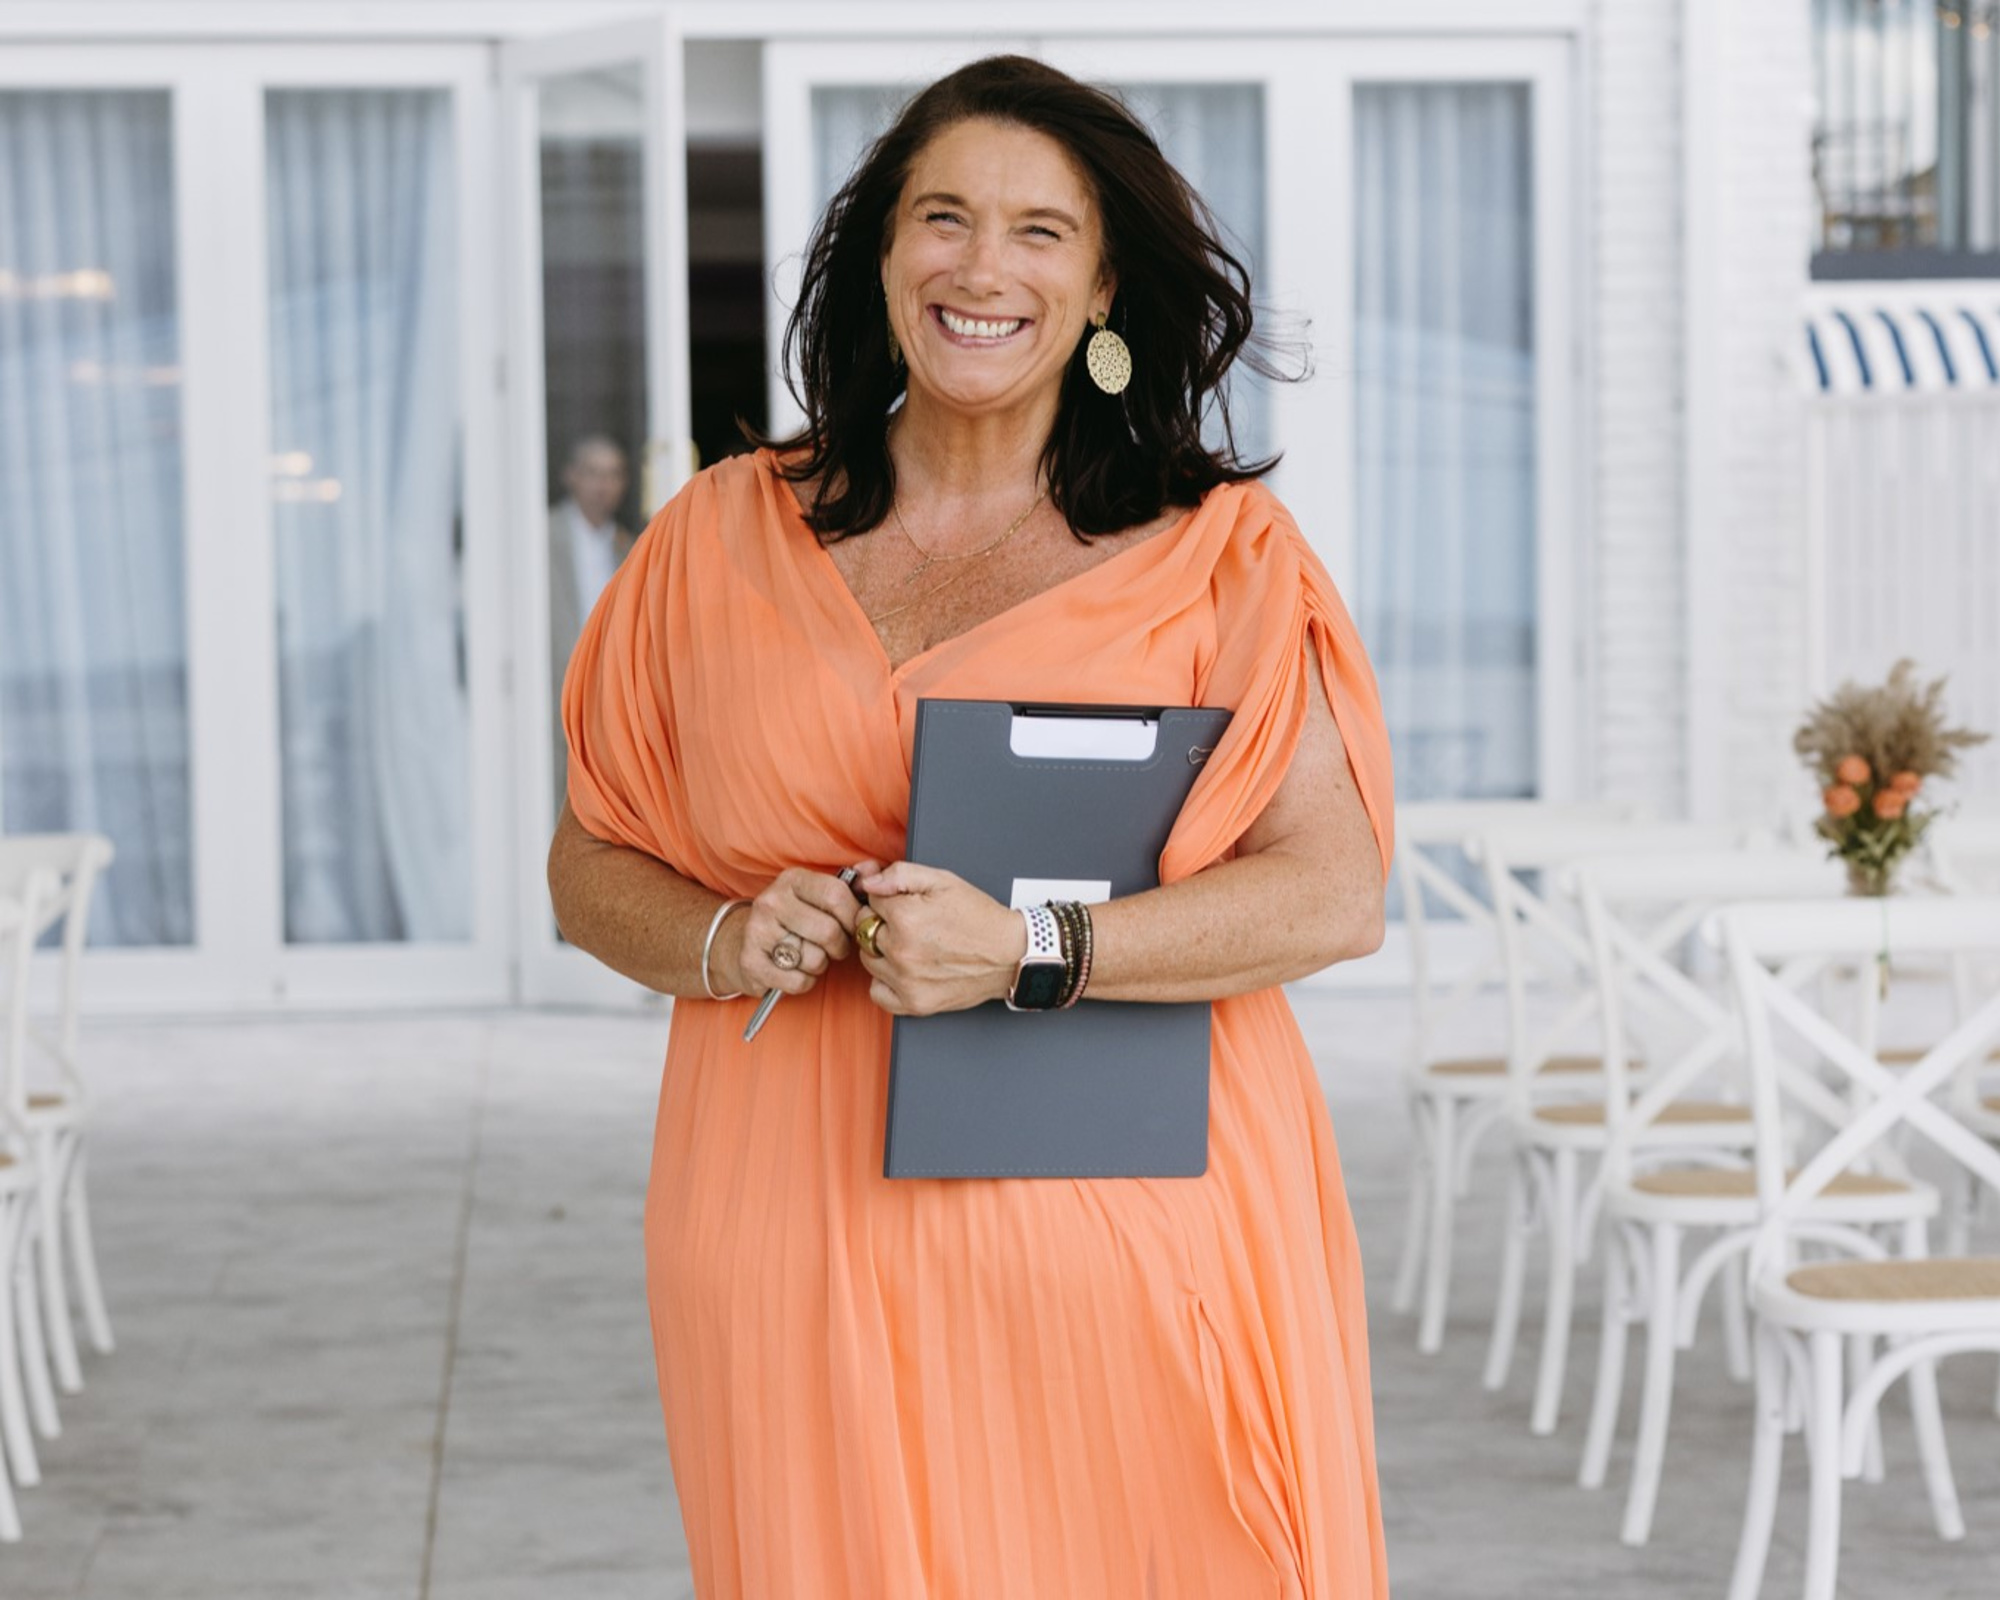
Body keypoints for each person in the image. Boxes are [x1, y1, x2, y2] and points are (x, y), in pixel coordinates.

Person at [549, 55, 1395, 1599]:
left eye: (1039, 232)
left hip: (1133, 1233)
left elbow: (1334, 892)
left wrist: (1034, 946)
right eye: (941, 218)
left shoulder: (1219, 558)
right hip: (789, 1226)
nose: (981, 268)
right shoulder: (714, 539)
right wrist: (728, 935)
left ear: (1104, 286)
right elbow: (591, 858)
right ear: (880, 257)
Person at [547, 434, 635, 802]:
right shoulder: (543, 536)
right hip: (553, 686)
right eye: (593, 473)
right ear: (571, 476)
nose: (603, 485)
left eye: (613, 474)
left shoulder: (628, 546)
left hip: (606, 694)